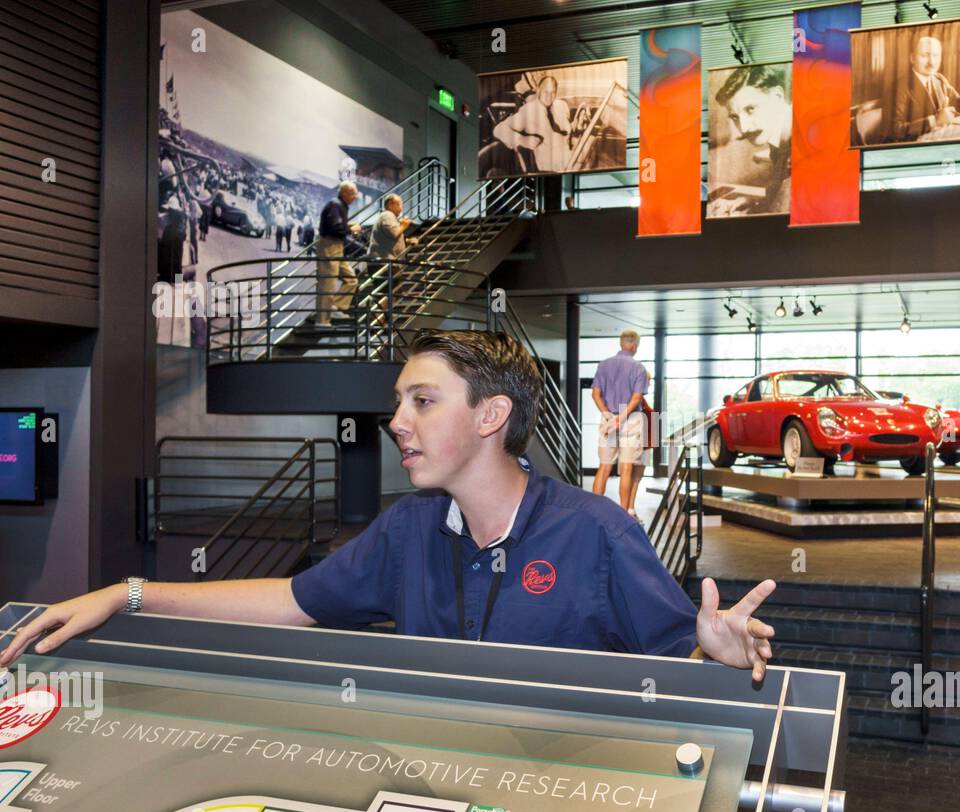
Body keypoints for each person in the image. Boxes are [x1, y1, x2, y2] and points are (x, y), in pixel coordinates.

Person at [0, 331, 776, 680]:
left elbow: (682, 674)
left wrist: (718, 650)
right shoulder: (408, 525)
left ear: (490, 415)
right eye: (398, 400)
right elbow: (291, 600)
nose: (397, 419)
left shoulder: (600, 532)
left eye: (423, 399)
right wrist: (128, 593)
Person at [710, 64, 792, 216]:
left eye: (751, 109)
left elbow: (780, 218)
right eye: (735, 117)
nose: (744, 127)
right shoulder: (778, 138)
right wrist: (753, 201)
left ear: (777, 97)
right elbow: (782, 199)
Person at [591, 330, 650, 518]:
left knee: (604, 467)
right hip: (630, 419)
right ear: (633, 346)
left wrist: (609, 416)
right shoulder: (638, 368)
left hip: (609, 418)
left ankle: (594, 514)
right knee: (626, 468)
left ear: (621, 343)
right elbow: (636, 398)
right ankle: (624, 516)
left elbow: (595, 394)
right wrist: (621, 418)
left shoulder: (604, 365)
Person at [892, 35, 960, 143]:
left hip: (941, 138)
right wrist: (934, 120)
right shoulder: (898, 88)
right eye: (925, 56)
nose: (932, 62)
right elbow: (895, 131)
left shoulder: (939, 79)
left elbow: (955, 99)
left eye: (936, 56)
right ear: (912, 58)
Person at [492, 74, 574, 173]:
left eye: (553, 92)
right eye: (545, 92)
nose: (549, 96)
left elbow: (565, 134)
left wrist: (576, 127)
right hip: (551, 168)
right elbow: (498, 130)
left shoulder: (562, 106)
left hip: (572, 159)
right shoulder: (529, 110)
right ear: (538, 90)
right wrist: (521, 139)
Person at [365, 193, 418, 324]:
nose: (401, 208)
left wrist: (406, 241)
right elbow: (394, 233)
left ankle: (381, 319)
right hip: (384, 262)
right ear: (391, 205)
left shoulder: (389, 218)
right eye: (400, 204)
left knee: (390, 291)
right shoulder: (387, 216)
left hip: (386, 261)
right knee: (386, 291)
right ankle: (378, 319)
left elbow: (390, 237)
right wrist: (404, 225)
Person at [316, 181, 361, 324]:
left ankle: (335, 307)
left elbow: (335, 225)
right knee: (328, 284)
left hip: (336, 247)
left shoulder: (339, 205)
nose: (355, 197)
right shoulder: (335, 204)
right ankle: (322, 321)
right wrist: (350, 229)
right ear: (344, 193)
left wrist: (347, 226)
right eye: (353, 193)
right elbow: (335, 228)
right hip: (330, 246)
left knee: (351, 279)